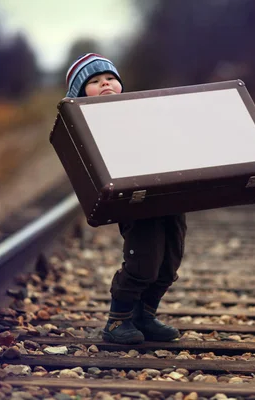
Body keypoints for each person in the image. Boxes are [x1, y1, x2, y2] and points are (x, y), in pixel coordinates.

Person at [65, 53, 187, 344]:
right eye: (94, 82)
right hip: (136, 199)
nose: (104, 84)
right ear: (81, 94)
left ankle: (145, 315)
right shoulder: (88, 123)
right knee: (144, 259)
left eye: (109, 79)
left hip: (168, 195)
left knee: (170, 259)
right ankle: (117, 320)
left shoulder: (140, 112)